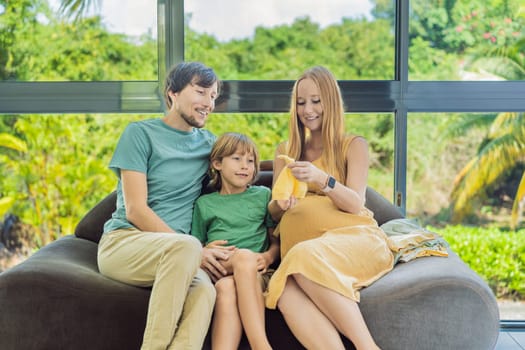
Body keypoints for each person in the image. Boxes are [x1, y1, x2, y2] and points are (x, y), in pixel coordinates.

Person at [97, 61, 231, 350]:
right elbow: (135, 209)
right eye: (201, 92)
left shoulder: (210, 146)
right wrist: (193, 250)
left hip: (179, 254)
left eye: (213, 96)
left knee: (205, 292)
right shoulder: (139, 134)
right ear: (172, 93)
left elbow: (245, 165)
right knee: (187, 247)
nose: (209, 103)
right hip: (125, 243)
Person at [265, 66, 395, 350]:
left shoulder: (353, 146)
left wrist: (322, 179)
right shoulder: (285, 150)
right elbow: (274, 212)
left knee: (301, 257)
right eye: (301, 102)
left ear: (331, 102)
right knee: (285, 291)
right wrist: (282, 205)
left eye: (316, 100)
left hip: (354, 241)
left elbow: (355, 203)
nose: (307, 109)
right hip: (303, 254)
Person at [191, 132, 279, 350]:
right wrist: (204, 249)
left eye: (251, 161)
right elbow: (194, 243)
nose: (245, 166)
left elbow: (275, 240)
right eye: (237, 159)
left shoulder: (263, 196)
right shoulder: (205, 204)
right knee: (240, 259)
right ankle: (261, 346)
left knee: (226, 288)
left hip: (255, 273)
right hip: (220, 265)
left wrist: (268, 256)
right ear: (217, 163)